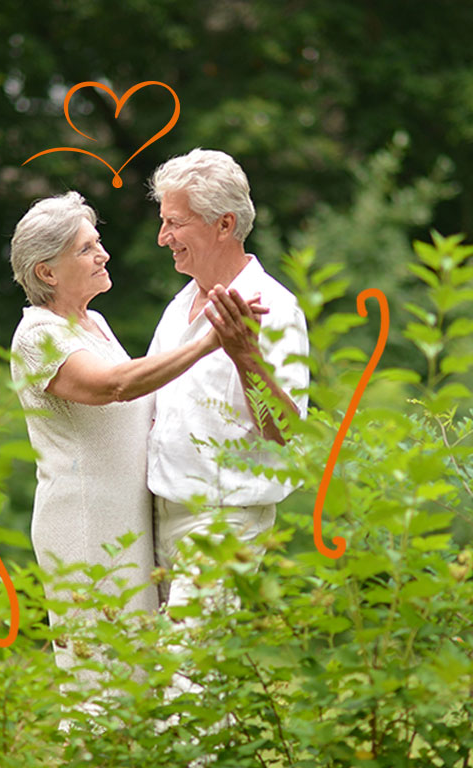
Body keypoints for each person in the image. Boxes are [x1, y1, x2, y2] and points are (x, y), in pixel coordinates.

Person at [6, 190, 257, 725]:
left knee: (138, 677)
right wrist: (211, 340)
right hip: (84, 523)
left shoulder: (92, 324)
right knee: (99, 682)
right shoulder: (37, 335)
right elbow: (115, 386)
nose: (104, 255)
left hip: (128, 520)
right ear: (47, 272)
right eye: (86, 249)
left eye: (98, 244)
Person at [146, 147, 310, 626]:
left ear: (223, 224)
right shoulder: (178, 307)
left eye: (175, 223)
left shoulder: (275, 309)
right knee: (176, 684)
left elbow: (287, 431)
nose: (162, 238)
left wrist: (245, 356)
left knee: (187, 680)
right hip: (161, 514)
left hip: (225, 518)